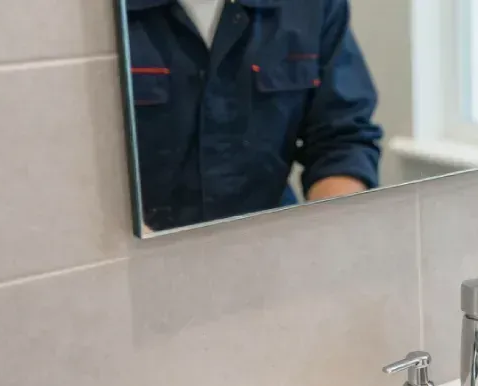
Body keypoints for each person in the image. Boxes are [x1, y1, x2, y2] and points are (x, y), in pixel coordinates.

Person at [125, 0, 383, 231]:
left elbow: (342, 139)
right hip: (130, 263)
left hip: (273, 251)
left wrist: (326, 235)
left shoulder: (310, 6)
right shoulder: (94, 16)